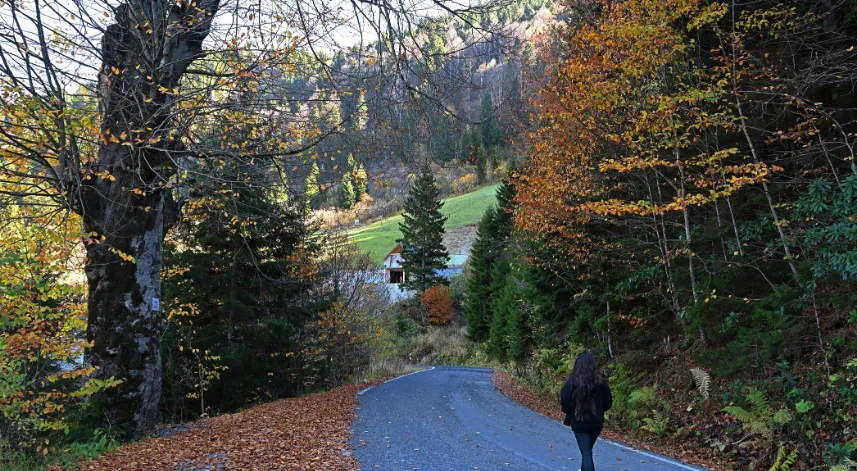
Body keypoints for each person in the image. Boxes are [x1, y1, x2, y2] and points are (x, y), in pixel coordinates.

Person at [560, 352, 612, 471]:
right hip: (596, 423)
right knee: (587, 451)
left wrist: (572, 411)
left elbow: (565, 406)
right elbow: (608, 403)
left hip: (579, 423)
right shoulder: (601, 383)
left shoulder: (571, 384)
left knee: (586, 454)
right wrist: (598, 410)